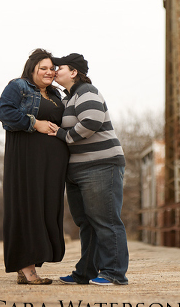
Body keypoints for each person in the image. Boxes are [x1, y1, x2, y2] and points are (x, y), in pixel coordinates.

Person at [48, 53, 129, 286]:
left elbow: (91, 122)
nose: (54, 70)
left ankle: (114, 273)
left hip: (100, 165)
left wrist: (63, 135)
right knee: (87, 222)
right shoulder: (69, 97)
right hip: (78, 170)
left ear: (73, 72)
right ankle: (85, 272)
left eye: (58, 67)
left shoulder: (87, 92)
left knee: (105, 221)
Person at [0, 48, 69, 284]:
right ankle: (27, 269)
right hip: (27, 159)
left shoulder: (55, 94)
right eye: (43, 68)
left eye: (52, 69)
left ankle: (29, 265)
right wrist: (34, 123)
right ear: (32, 69)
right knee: (27, 206)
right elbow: (6, 113)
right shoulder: (18, 87)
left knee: (44, 209)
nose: (49, 72)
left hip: (52, 164)